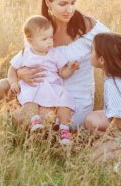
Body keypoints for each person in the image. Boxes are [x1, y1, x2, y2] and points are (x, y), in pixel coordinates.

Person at [0, 0, 121, 130]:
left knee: (44, 117)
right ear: (48, 3)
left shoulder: (88, 26)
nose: (69, 9)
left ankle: (35, 126)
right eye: (63, 4)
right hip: (42, 90)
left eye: (73, 3)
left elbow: (116, 44)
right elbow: (29, 58)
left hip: (73, 99)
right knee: (2, 86)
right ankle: (27, 124)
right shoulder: (39, 28)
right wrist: (20, 73)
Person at [8, 15, 79, 145]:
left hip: (52, 87)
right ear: (30, 41)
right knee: (30, 101)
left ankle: (64, 130)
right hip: (33, 85)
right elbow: (12, 68)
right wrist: (13, 82)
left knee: (65, 102)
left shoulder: (54, 53)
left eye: (51, 37)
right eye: (44, 39)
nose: (49, 42)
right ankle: (34, 121)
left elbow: (62, 73)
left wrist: (71, 69)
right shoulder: (25, 53)